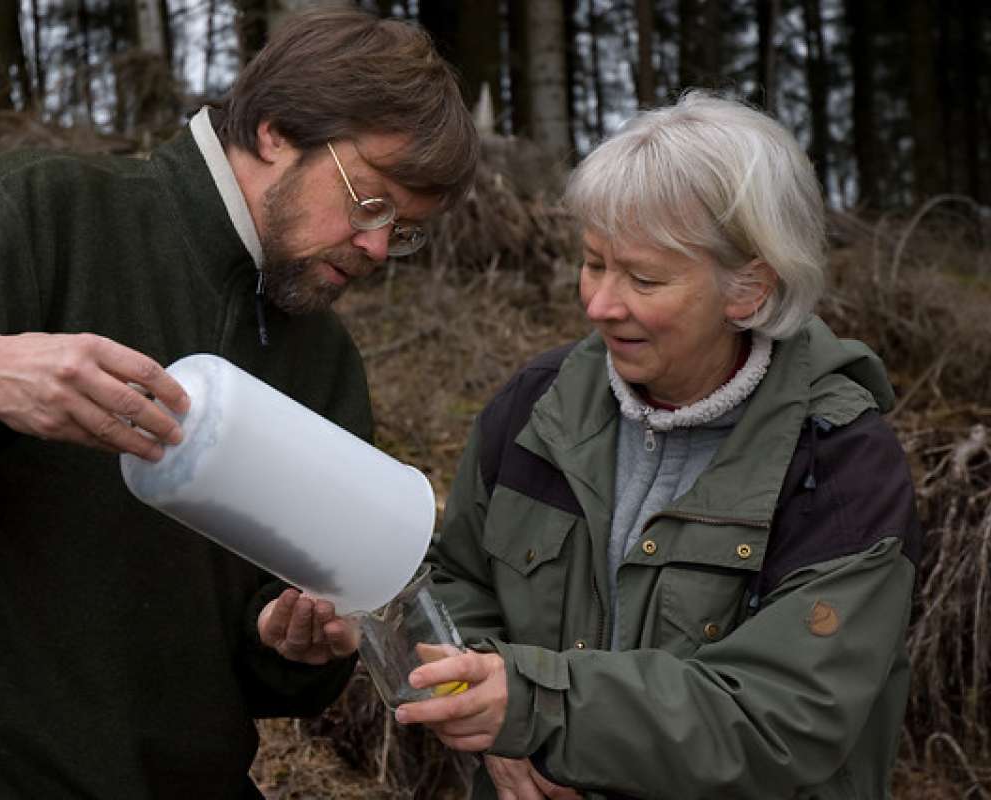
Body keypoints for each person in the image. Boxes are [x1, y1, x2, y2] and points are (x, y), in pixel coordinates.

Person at [0, 9, 477, 798]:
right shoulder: (52, 218)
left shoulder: (324, 363)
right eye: (373, 203)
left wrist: (286, 647)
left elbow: (270, 666)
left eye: (407, 231)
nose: (380, 248)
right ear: (276, 130)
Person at [393, 91, 922, 799]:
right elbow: (457, 582)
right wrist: (495, 719)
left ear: (750, 288)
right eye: (592, 262)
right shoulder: (537, 406)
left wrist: (539, 712)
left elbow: (783, 717)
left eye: (643, 278)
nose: (599, 304)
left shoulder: (837, 462)